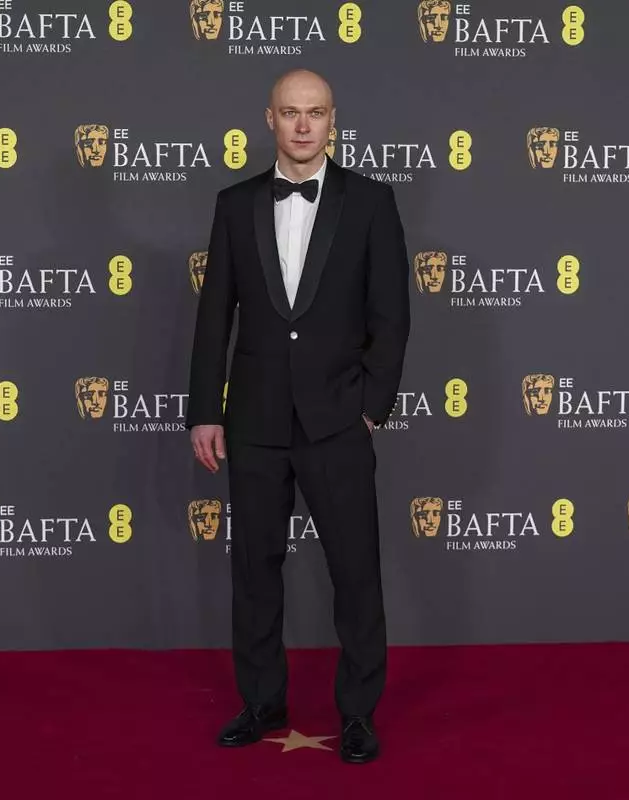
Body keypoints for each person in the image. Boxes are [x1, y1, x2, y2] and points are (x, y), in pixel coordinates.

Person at [185, 68, 410, 764]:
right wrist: (205, 411)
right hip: (251, 422)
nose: (303, 125)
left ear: (333, 121)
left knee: (356, 573)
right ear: (270, 120)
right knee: (255, 570)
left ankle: (358, 715)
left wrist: (370, 410)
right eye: (290, 113)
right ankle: (261, 702)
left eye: (315, 113)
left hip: (338, 420)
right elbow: (214, 313)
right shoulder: (234, 203)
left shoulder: (371, 203)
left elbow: (392, 317)